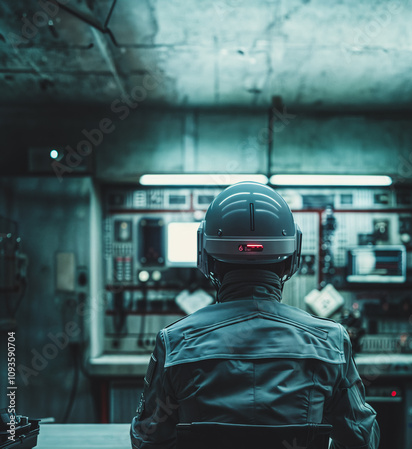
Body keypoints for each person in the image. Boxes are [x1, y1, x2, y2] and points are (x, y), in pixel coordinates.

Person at [130, 181, 380, 449]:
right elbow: (362, 440)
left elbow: (147, 440)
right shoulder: (330, 341)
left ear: (206, 257)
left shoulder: (175, 342)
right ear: (292, 258)